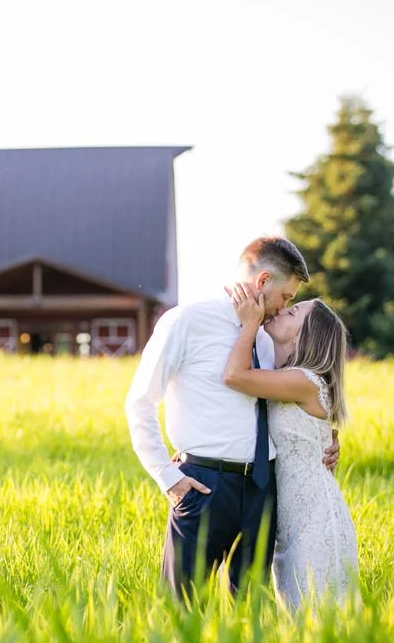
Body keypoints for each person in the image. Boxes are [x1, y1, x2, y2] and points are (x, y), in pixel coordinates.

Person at [125, 236, 339, 599]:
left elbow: (295, 398)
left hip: (263, 488)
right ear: (262, 282)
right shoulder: (186, 321)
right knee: (182, 609)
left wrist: (326, 439)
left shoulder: (270, 340)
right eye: (285, 297)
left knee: (251, 610)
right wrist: (168, 477)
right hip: (204, 486)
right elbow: (141, 401)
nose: (285, 307)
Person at [222, 284, 359, 609]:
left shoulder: (304, 380)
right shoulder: (286, 377)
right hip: (291, 526)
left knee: (317, 623)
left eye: (294, 311)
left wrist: (250, 324)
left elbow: (234, 376)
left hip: (316, 524)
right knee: (300, 624)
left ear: (304, 336)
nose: (283, 309)